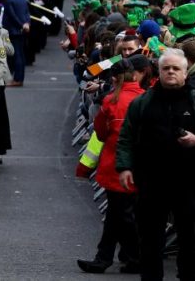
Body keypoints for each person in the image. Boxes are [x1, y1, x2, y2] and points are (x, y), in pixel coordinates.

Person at [116, 48, 195, 281]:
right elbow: (126, 136)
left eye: (176, 68)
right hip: (150, 182)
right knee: (150, 240)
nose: (171, 72)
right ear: (159, 71)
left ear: (185, 73)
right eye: (166, 68)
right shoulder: (142, 102)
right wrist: (124, 167)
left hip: (188, 181)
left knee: (189, 240)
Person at [76, 57, 146, 275]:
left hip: (115, 164)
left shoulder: (112, 101)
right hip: (139, 164)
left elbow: (101, 132)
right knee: (119, 214)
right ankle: (107, 257)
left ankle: (131, 257)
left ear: (113, 78)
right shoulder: (144, 98)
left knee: (121, 215)